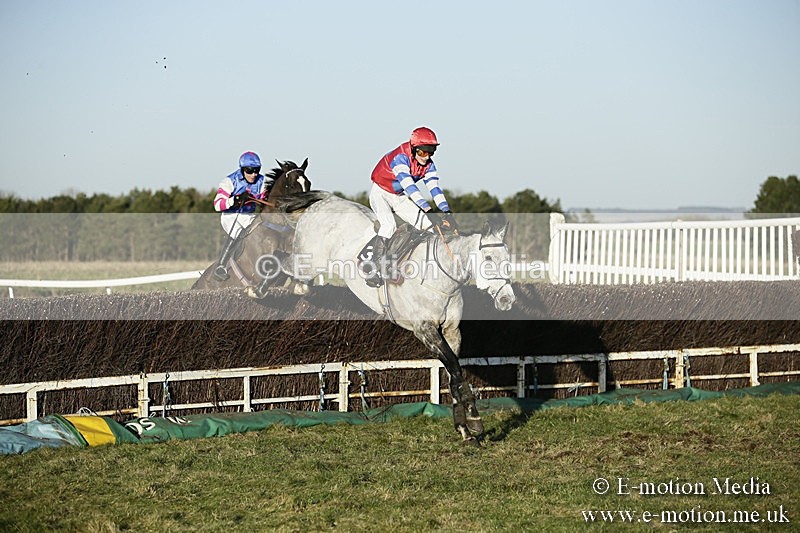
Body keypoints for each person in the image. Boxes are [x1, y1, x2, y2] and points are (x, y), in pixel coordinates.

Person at [363, 126, 457, 287]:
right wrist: (428, 210)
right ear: (413, 149)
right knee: (389, 225)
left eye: (431, 152)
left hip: (398, 197)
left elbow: (434, 189)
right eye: (422, 152)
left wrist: (447, 212)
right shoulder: (400, 158)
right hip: (380, 193)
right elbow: (410, 188)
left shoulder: (429, 165)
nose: (426, 157)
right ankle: (373, 268)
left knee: (428, 226)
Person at [212, 151, 273, 281]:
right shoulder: (229, 181)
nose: (254, 174)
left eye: (257, 170)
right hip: (230, 216)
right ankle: (221, 266)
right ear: (243, 169)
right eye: (250, 171)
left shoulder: (262, 182)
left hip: (248, 217)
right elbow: (217, 205)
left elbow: (265, 200)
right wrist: (234, 200)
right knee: (238, 232)